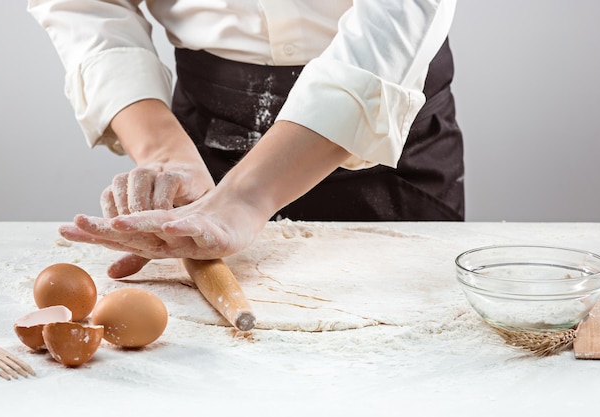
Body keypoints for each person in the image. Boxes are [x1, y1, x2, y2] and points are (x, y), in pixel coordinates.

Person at [28, 0, 464, 278]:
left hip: (385, 128)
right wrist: (162, 150)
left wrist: (246, 198)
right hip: (203, 138)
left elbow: (401, 12)